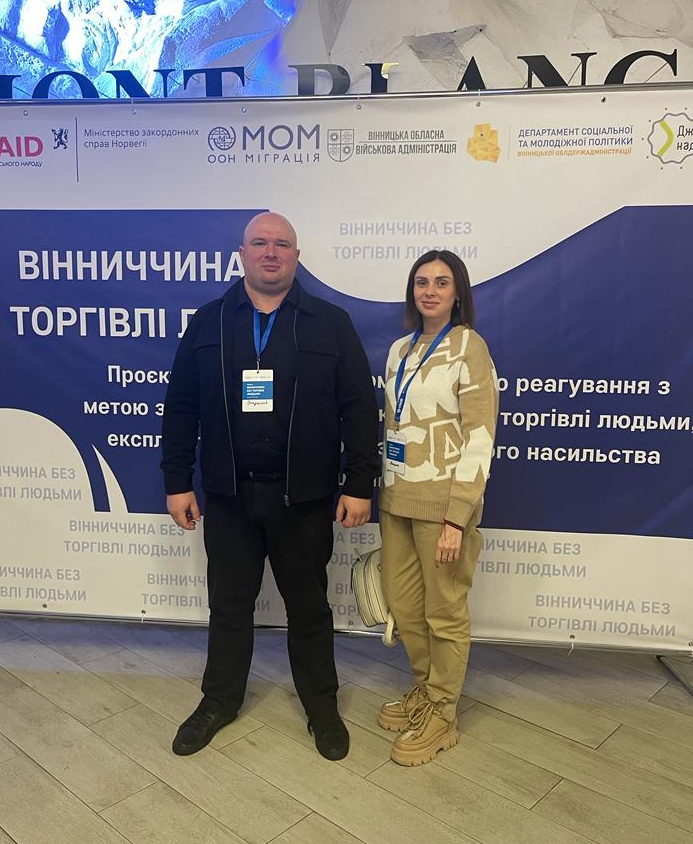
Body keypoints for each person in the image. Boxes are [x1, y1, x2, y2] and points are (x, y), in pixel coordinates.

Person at [161, 211, 379, 760]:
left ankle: (321, 706)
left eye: (282, 244)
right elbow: (181, 406)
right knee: (228, 606)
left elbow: (358, 408)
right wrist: (177, 481)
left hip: (302, 499)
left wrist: (359, 482)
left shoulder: (331, 323)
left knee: (309, 609)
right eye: (260, 243)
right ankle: (218, 701)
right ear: (242, 254)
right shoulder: (209, 322)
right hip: (229, 496)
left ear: (297, 256)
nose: (271, 252)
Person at [378, 250, 498, 766]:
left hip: (443, 506)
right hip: (396, 500)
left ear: (457, 292)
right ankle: (426, 691)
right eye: (422, 281)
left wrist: (456, 517)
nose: (429, 291)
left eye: (441, 282)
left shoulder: (470, 347)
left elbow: (479, 437)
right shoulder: (399, 349)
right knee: (405, 608)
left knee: (443, 612)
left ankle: (443, 712)